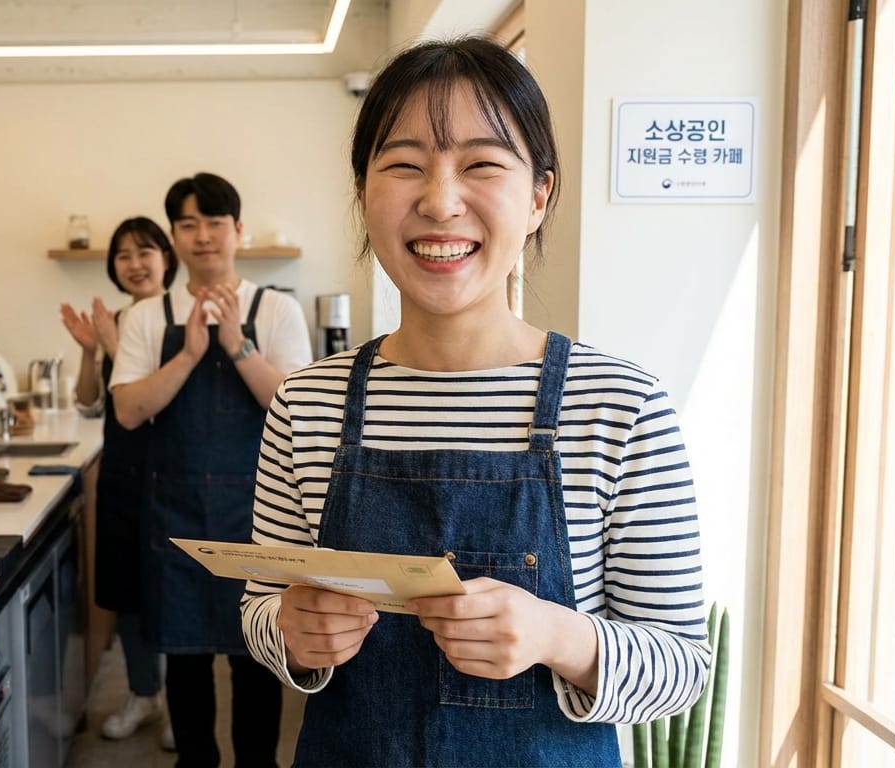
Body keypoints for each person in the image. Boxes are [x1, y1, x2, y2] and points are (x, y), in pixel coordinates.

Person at [240, 35, 712, 767]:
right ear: (365, 194)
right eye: (403, 165)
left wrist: (558, 636)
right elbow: (261, 609)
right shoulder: (307, 403)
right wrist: (295, 636)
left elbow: (682, 665)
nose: (440, 200)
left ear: (538, 196)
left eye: (481, 164)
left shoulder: (621, 406)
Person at [110, 173, 312, 768]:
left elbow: (293, 406)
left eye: (214, 222)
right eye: (188, 225)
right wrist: (192, 353)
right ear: (174, 237)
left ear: (238, 230)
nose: (203, 236)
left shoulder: (275, 309)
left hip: (258, 513)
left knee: (257, 654)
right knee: (187, 660)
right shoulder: (149, 316)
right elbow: (127, 409)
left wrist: (236, 346)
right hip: (175, 517)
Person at [60, 216, 178, 749]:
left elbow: (158, 400)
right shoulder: (115, 323)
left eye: (145, 251)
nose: (134, 263)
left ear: (166, 258)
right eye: (124, 255)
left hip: (174, 476)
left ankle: (180, 703)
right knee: (128, 593)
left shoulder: (185, 319)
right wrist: (92, 349)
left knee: (174, 592)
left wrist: (113, 344)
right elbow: (88, 402)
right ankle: (142, 692)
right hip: (124, 478)